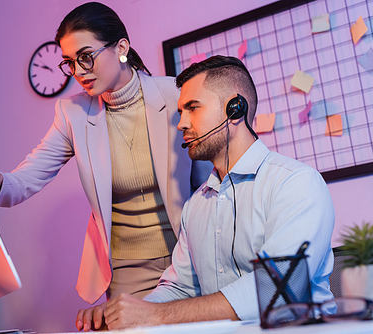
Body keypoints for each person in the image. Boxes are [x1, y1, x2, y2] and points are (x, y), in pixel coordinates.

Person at [78, 55, 335, 331]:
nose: (181, 124)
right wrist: (128, 313)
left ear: (235, 109)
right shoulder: (196, 204)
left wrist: (156, 316)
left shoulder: (296, 184)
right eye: (181, 112)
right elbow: (179, 288)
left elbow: (272, 290)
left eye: (192, 108)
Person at [0, 1, 192, 309]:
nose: (78, 72)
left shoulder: (176, 95)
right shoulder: (72, 113)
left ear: (121, 48)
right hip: (126, 273)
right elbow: (32, 173)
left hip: (188, 256)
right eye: (70, 62)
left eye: (86, 57)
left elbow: (211, 181)